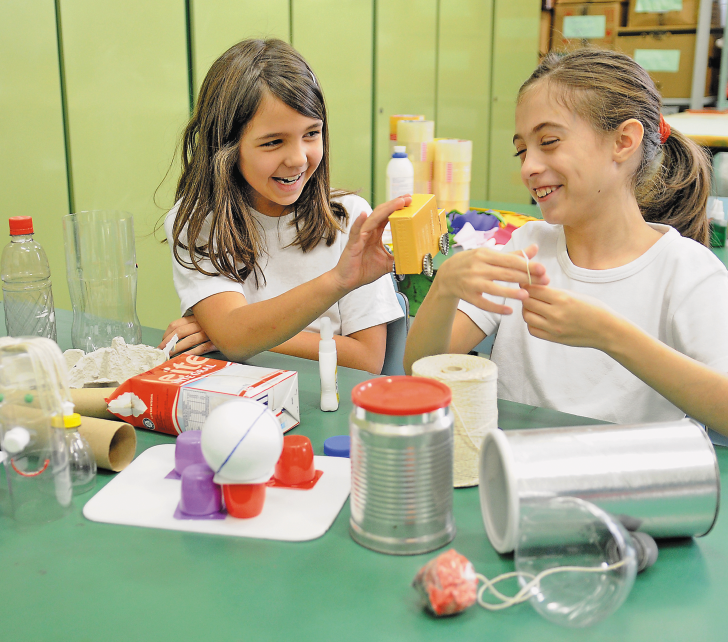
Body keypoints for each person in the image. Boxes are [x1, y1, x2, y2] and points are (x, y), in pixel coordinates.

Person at [404, 48, 728, 436]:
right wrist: (444, 288)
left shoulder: (686, 271)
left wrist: (610, 335)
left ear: (623, 141)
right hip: (515, 472)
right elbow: (419, 371)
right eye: (522, 149)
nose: (529, 167)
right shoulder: (526, 247)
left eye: (550, 141)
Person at [160, 38, 407, 374]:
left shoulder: (349, 217)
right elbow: (233, 335)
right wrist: (232, 334)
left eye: (311, 134)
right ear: (226, 146)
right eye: (273, 142)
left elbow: (366, 359)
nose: (297, 159)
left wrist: (238, 334)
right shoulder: (200, 221)